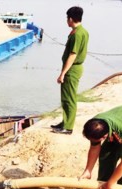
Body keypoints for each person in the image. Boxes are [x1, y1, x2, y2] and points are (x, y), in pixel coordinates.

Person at [52, 6, 89, 135]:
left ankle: (68, 127)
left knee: (69, 98)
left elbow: (73, 55)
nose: (66, 21)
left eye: (67, 18)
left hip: (72, 69)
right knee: (65, 97)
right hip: (73, 68)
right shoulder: (81, 31)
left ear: (71, 19)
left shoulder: (78, 34)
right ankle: (65, 122)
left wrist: (62, 73)